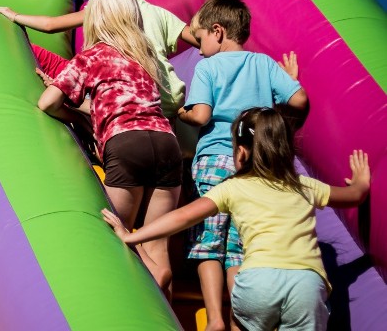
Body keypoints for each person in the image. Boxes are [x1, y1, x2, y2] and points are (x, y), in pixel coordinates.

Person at [104, 107, 370, 331]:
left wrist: (131, 234)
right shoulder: (303, 185)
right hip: (307, 286)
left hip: (258, 282)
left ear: (241, 153)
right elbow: (354, 196)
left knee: (238, 320)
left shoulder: (234, 187)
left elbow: (182, 216)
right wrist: (361, 182)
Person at [37, 0, 181, 296]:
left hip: (126, 144)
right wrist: (79, 105)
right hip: (166, 143)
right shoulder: (145, 59)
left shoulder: (91, 56)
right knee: (157, 246)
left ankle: (137, 288)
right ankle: (161, 276)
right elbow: (116, 103)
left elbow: (47, 103)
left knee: (117, 240)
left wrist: (71, 112)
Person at [177, 0, 308, 331]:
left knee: (209, 239)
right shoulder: (264, 64)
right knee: (238, 246)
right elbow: (300, 99)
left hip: (215, 160)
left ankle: (215, 319)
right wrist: (283, 96)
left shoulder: (208, 66)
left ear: (217, 31)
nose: (199, 45)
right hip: (255, 168)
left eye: (201, 36)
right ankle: (240, 321)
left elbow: (202, 113)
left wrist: (180, 111)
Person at [0, 0, 198, 121]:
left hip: (127, 100)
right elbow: (196, 39)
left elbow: (50, 25)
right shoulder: (157, 11)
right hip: (169, 98)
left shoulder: (103, 8)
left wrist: (14, 15)